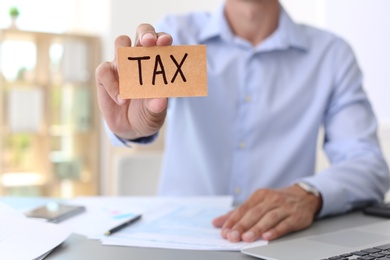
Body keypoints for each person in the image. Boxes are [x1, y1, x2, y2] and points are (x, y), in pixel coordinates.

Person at [96, 0, 390, 243]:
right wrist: (133, 130)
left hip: (278, 242)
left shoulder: (332, 55)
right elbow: (144, 113)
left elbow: (368, 165)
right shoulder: (175, 34)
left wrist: (310, 194)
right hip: (175, 242)